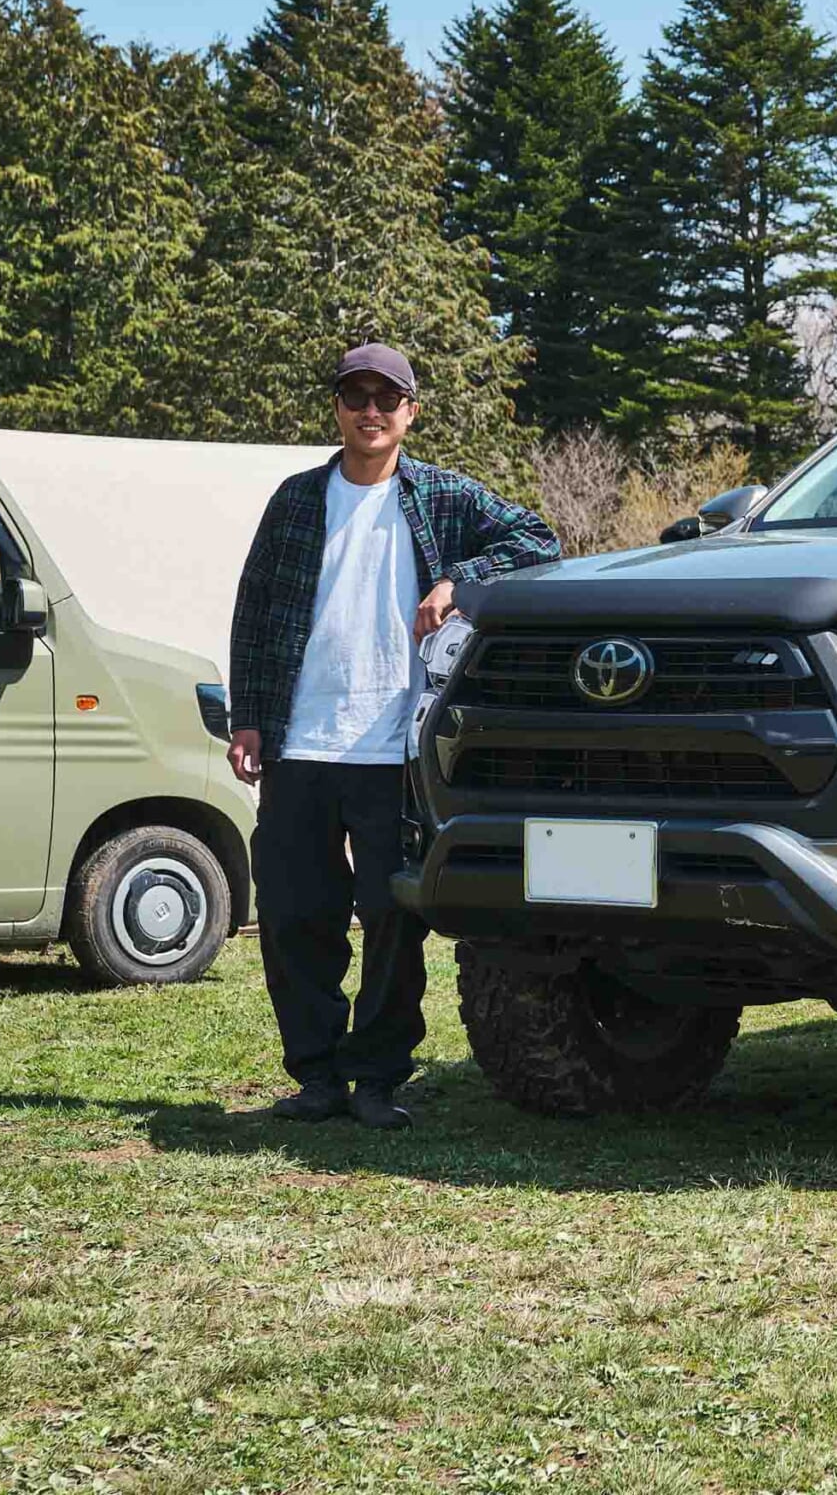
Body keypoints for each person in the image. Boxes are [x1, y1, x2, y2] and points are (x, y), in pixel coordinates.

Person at [228, 344, 558, 1128]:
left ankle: (377, 1077)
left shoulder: (441, 495)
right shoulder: (296, 500)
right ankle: (316, 1075)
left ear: (411, 411)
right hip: (301, 742)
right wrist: (249, 717)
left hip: (396, 750)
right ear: (337, 407)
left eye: (386, 398)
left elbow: (538, 539)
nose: (369, 411)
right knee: (295, 916)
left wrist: (457, 581)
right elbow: (255, 607)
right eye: (356, 396)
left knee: (391, 919)